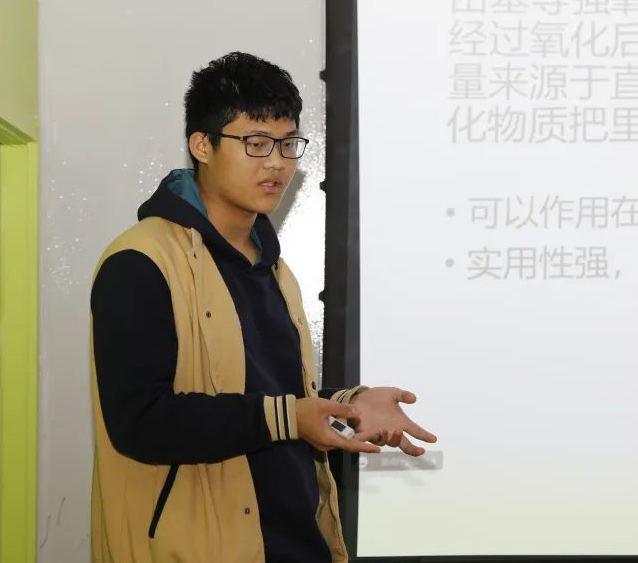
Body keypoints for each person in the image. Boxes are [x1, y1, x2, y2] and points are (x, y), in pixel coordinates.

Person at [89, 51, 436, 562]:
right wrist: (289, 417)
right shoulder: (141, 261)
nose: (277, 162)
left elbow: (266, 397)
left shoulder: (272, 266)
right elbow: (140, 422)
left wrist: (349, 405)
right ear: (202, 145)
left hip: (297, 542)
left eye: (288, 143)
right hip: (201, 549)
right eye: (255, 143)